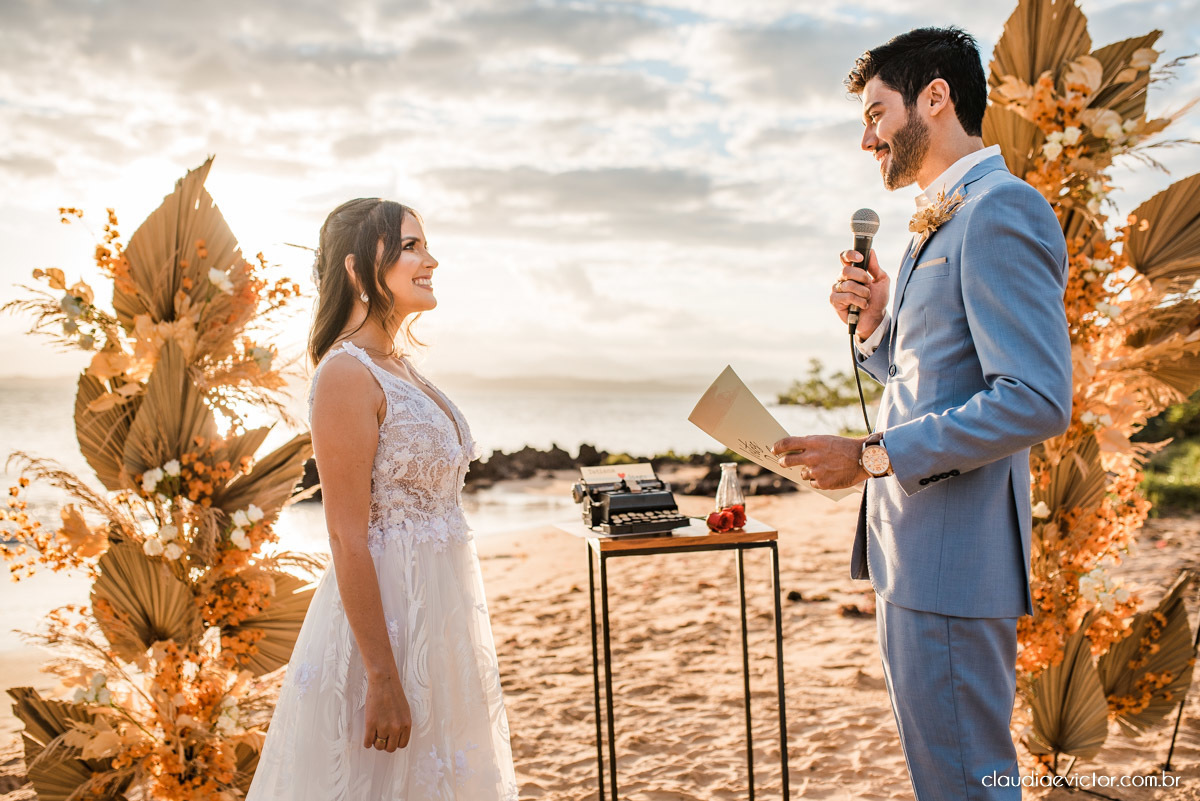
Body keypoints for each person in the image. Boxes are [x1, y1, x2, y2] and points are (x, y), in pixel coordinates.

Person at [771, 27, 1072, 800]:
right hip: (910, 554)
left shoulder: (1003, 209)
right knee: (946, 778)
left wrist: (870, 456)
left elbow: (1035, 398)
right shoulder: (929, 229)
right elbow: (921, 373)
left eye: (876, 113)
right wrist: (873, 324)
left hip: (953, 561)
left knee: (970, 782)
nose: (867, 137)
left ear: (935, 97)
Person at [247, 198, 518, 800]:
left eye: (424, 245)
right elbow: (346, 535)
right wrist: (382, 678)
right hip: (385, 631)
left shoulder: (399, 365)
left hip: (439, 616)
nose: (431, 260)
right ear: (354, 269)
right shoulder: (346, 374)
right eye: (410, 247)